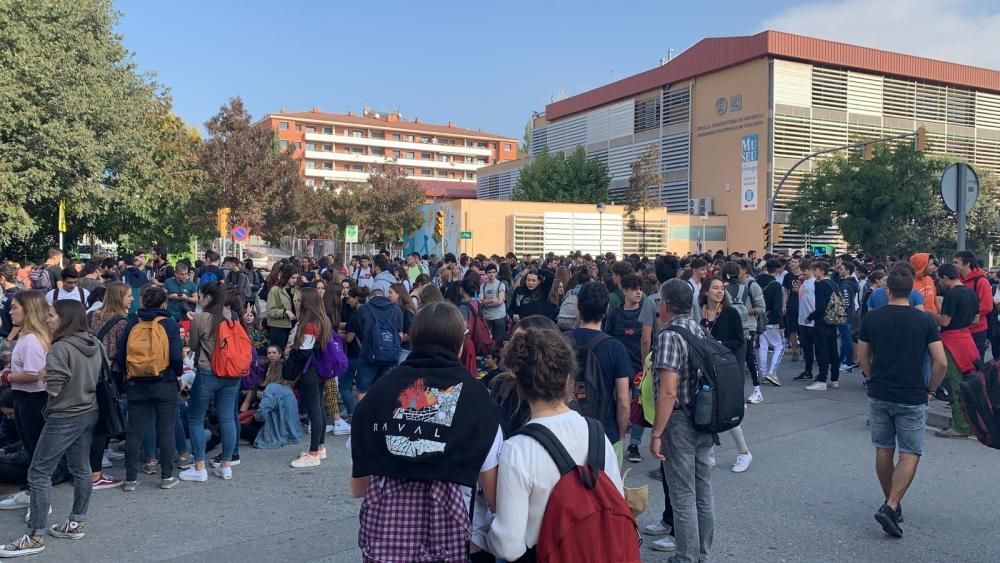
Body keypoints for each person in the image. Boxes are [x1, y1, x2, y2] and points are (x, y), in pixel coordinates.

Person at [349, 302, 501, 563]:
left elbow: (358, 487)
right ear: (460, 343)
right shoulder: (478, 400)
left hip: (385, 543)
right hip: (454, 542)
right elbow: (492, 497)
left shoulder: (378, 394)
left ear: (414, 339)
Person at [486, 320, 625, 562]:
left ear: (519, 383)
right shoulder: (596, 433)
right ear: (567, 378)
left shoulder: (518, 448)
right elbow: (617, 502)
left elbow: (509, 546)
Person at [0, 301, 101, 557]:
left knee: (39, 472)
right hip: (88, 410)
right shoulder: (92, 343)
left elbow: (54, 389)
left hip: (64, 414)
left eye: (53, 315)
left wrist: (44, 373)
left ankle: (35, 536)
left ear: (65, 318)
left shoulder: (60, 348)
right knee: (81, 468)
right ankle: (76, 521)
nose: (48, 319)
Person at [856, 267, 946, 538]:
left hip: (880, 391)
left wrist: (872, 377)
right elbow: (940, 361)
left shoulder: (874, 319)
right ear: (913, 292)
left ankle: (892, 503)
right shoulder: (926, 321)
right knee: (910, 452)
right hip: (912, 393)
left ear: (888, 290)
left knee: (883, 449)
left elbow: (862, 356)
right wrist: (931, 389)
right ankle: (891, 504)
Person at [649, 279, 715, 562]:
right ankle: (703, 553)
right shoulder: (698, 330)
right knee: (703, 489)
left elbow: (668, 389)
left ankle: (685, 557)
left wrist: (656, 433)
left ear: (663, 305)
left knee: (683, 492)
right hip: (704, 417)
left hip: (680, 421)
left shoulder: (668, 335)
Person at [117, 285, 184, 491]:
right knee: (165, 429)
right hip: (164, 382)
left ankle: (130, 479)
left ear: (143, 302)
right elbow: (175, 356)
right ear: (164, 303)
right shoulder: (169, 324)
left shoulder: (132, 323)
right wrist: (177, 373)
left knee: (135, 431)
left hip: (137, 382)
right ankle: (166, 476)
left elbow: (121, 354)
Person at [179, 282, 243, 482]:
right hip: (232, 373)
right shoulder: (232, 316)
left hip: (209, 371)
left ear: (206, 297)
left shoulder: (202, 318)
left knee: (196, 418)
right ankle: (226, 465)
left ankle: (199, 466)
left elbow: (193, 345)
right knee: (227, 418)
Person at [568, 282, 631, 462]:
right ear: (606, 309)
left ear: (579, 307)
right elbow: (623, 399)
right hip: (604, 430)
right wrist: (620, 434)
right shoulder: (615, 347)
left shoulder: (561, 341)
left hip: (567, 431)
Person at [0, 291, 50, 514]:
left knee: (36, 451)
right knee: (31, 449)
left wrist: (8, 377)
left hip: (32, 399)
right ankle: (30, 492)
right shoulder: (26, 336)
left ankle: (40, 501)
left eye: (14, 308)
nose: (10, 312)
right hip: (24, 398)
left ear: (28, 310)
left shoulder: (31, 340)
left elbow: (34, 374)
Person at [698, 277, 753, 473]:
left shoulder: (731, 313)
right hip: (705, 369)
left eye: (722, 288)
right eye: (715, 288)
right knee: (708, 411)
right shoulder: (699, 313)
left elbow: (739, 341)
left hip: (726, 369)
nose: (720, 292)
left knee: (727, 412)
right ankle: (710, 454)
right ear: (706, 291)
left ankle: (744, 452)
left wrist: (718, 345)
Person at [86, 282, 132, 490]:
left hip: (90, 370)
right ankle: (96, 468)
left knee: (96, 414)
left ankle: (99, 455)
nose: (132, 299)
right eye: (128, 296)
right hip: (110, 371)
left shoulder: (91, 316)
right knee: (107, 413)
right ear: (118, 298)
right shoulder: (122, 323)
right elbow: (122, 353)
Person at [286, 287, 335, 468]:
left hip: (310, 370)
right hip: (321, 367)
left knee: (314, 409)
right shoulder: (324, 319)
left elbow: (305, 351)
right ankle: (319, 447)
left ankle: (314, 452)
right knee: (319, 407)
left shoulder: (309, 323)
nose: (297, 303)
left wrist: (291, 352)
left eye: (299, 300)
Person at [933, 264, 979, 439]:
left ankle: (960, 426)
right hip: (967, 338)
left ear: (945, 277)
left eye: (940, 279)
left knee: (955, 383)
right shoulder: (970, 292)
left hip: (952, 341)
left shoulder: (952, 295)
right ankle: (974, 423)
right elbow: (976, 319)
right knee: (970, 382)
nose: (940, 282)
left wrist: (931, 316)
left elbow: (944, 322)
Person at [605, 273, 645, 463]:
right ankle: (615, 438)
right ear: (625, 291)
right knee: (617, 403)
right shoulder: (614, 314)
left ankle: (634, 444)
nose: (638, 292)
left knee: (640, 406)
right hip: (617, 368)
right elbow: (608, 337)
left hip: (639, 367)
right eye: (634, 289)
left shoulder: (645, 313)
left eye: (640, 289)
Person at [355, 284, 402, 400]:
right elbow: (399, 332)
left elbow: (359, 331)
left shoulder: (364, 309)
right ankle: (383, 416)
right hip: (390, 355)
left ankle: (365, 416)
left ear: (370, 297)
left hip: (369, 355)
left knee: (363, 390)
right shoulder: (396, 309)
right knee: (387, 390)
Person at [805, 262, 842, 391]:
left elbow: (820, 307)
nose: (814, 274)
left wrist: (810, 317)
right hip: (833, 321)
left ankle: (821, 380)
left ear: (821, 271)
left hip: (822, 322)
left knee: (822, 351)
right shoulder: (833, 283)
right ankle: (834, 379)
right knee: (833, 351)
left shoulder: (820, 285)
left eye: (815, 270)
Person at [952, 251, 992, 360]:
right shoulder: (957, 280)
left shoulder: (981, 281)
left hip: (976, 330)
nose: (953, 265)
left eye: (956, 262)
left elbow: (987, 306)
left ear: (967, 263)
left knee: (976, 364)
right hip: (960, 329)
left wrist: (966, 315)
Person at [756, 259, 784, 386]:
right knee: (779, 346)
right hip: (772, 319)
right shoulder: (776, 285)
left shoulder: (756, 282)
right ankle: (772, 372)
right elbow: (777, 307)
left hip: (759, 318)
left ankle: (762, 373)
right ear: (777, 270)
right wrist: (781, 324)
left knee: (763, 346)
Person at [265, 264, 299, 349]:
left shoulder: (296, 290)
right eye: (293, 278)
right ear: (286, 277)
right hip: (279, 327)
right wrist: (285, 312)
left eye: (296, 278)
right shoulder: (275, 290)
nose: (295, 280)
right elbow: (270, 311)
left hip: (294, 326)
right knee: (278, 351)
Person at [836, 260, 861, 373]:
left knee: (846, 339)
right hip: (849, 314)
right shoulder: (850, 283)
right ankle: (843, 360)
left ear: (847, 271)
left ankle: (847, 363)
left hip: (845, 315)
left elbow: (845, 302)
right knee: (846, 338)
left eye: (841, 269)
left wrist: (842, 313)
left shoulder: (845, 285)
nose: (839, 270)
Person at [479, 263, 508, 343]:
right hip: (487, 317)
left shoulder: (501, 284)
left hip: (499, 317)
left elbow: (500, 301)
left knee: (499, 340)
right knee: (488, 340)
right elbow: (480, 301)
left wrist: (486, 303)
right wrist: (492, 300)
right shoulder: (483, 286)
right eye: (489, 272)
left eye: (493, 272)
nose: (491, 274)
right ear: (486, 273)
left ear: (496, 273)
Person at [388, 283, 415, 364]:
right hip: (397, 348)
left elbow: (411, 332)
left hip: (405, 349)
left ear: (398, 294)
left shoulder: (407, 309)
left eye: (390, 292)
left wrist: (395, 340)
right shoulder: (394, 308)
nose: (388, 295)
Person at [0, 262, 22, 347]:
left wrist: (9, 340)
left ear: (2, 278)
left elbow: (19, 322)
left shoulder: (16, 296)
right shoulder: (7, 294)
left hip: (9, 339)